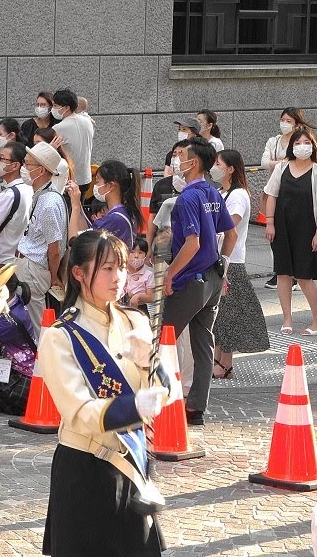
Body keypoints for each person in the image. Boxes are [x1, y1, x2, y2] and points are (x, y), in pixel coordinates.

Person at [38, 230, 168, 556]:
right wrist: (134, 405)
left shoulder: (135, 321)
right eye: (107, 268)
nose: (118, 277)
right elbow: (79, 413)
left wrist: (151, 365)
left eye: (121, 268)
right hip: (84, 472)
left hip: (132, 468)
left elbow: (163, 389)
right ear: (79, 273)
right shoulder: (60, 336)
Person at [163, 137, 235, 426]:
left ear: (193, 163)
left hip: (190, 280)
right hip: (213, 277)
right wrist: (224, 267)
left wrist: (170, 274)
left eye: (182, 156)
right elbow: (230, 234)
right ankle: (196, 407)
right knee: (203, 342)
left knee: (162, 339)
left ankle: (157, 402)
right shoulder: (212, 192)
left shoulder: (188, 197)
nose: (178, 161)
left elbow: (191, 243)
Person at [209, 149, 269, 377]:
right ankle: (217, 359)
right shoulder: (220, 192)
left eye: (218, 163)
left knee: (230, 313)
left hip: (231, 260)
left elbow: (228, 225)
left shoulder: (238, 195)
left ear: (231, 168)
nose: (215, 167)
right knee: (221, 313)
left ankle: (226, 363)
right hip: (218, 257)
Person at [264, 130, 317, 335]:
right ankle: (287, 319)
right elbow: (272, 195)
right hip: (282, 227)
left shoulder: (315, 170)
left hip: (307, 227)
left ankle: (315, 320)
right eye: (298, 142)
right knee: (283, 273)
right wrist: (270, 222)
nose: (302, 146)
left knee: (304, 276)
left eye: (306, 142)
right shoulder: (282, 168)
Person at [13, 143, 69, 326]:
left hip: (35, 268)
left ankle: (41, 354)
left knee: (37, 324)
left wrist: (53, 277)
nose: (24, 168)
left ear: (42, 170)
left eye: (28, 165)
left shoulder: (49, 202)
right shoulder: (46, 195)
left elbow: (54, 247)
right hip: (31, 266)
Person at [67, 159, 145, 248]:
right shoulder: (123, 212)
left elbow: (75, 244)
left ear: (111, 186)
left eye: (97, 182)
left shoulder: (115, 219)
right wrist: (77, 202)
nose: (95, 187)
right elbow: (86, 233)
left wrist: (75, 206)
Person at [50, 89, 94, 195]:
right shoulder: (88, 122)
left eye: (55, 106)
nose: (53, 109)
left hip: (69, 180)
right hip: (86, 177)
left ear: (66, 108)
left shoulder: (59, 128)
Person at [121, 237, 156, 313]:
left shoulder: (148, 275)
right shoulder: (121, 272)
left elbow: (151, 297)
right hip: (121, 307)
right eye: (132, 252)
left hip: (140, 309)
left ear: (145, 255)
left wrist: (138, 296)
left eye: (140, 253)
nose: (136, 256)